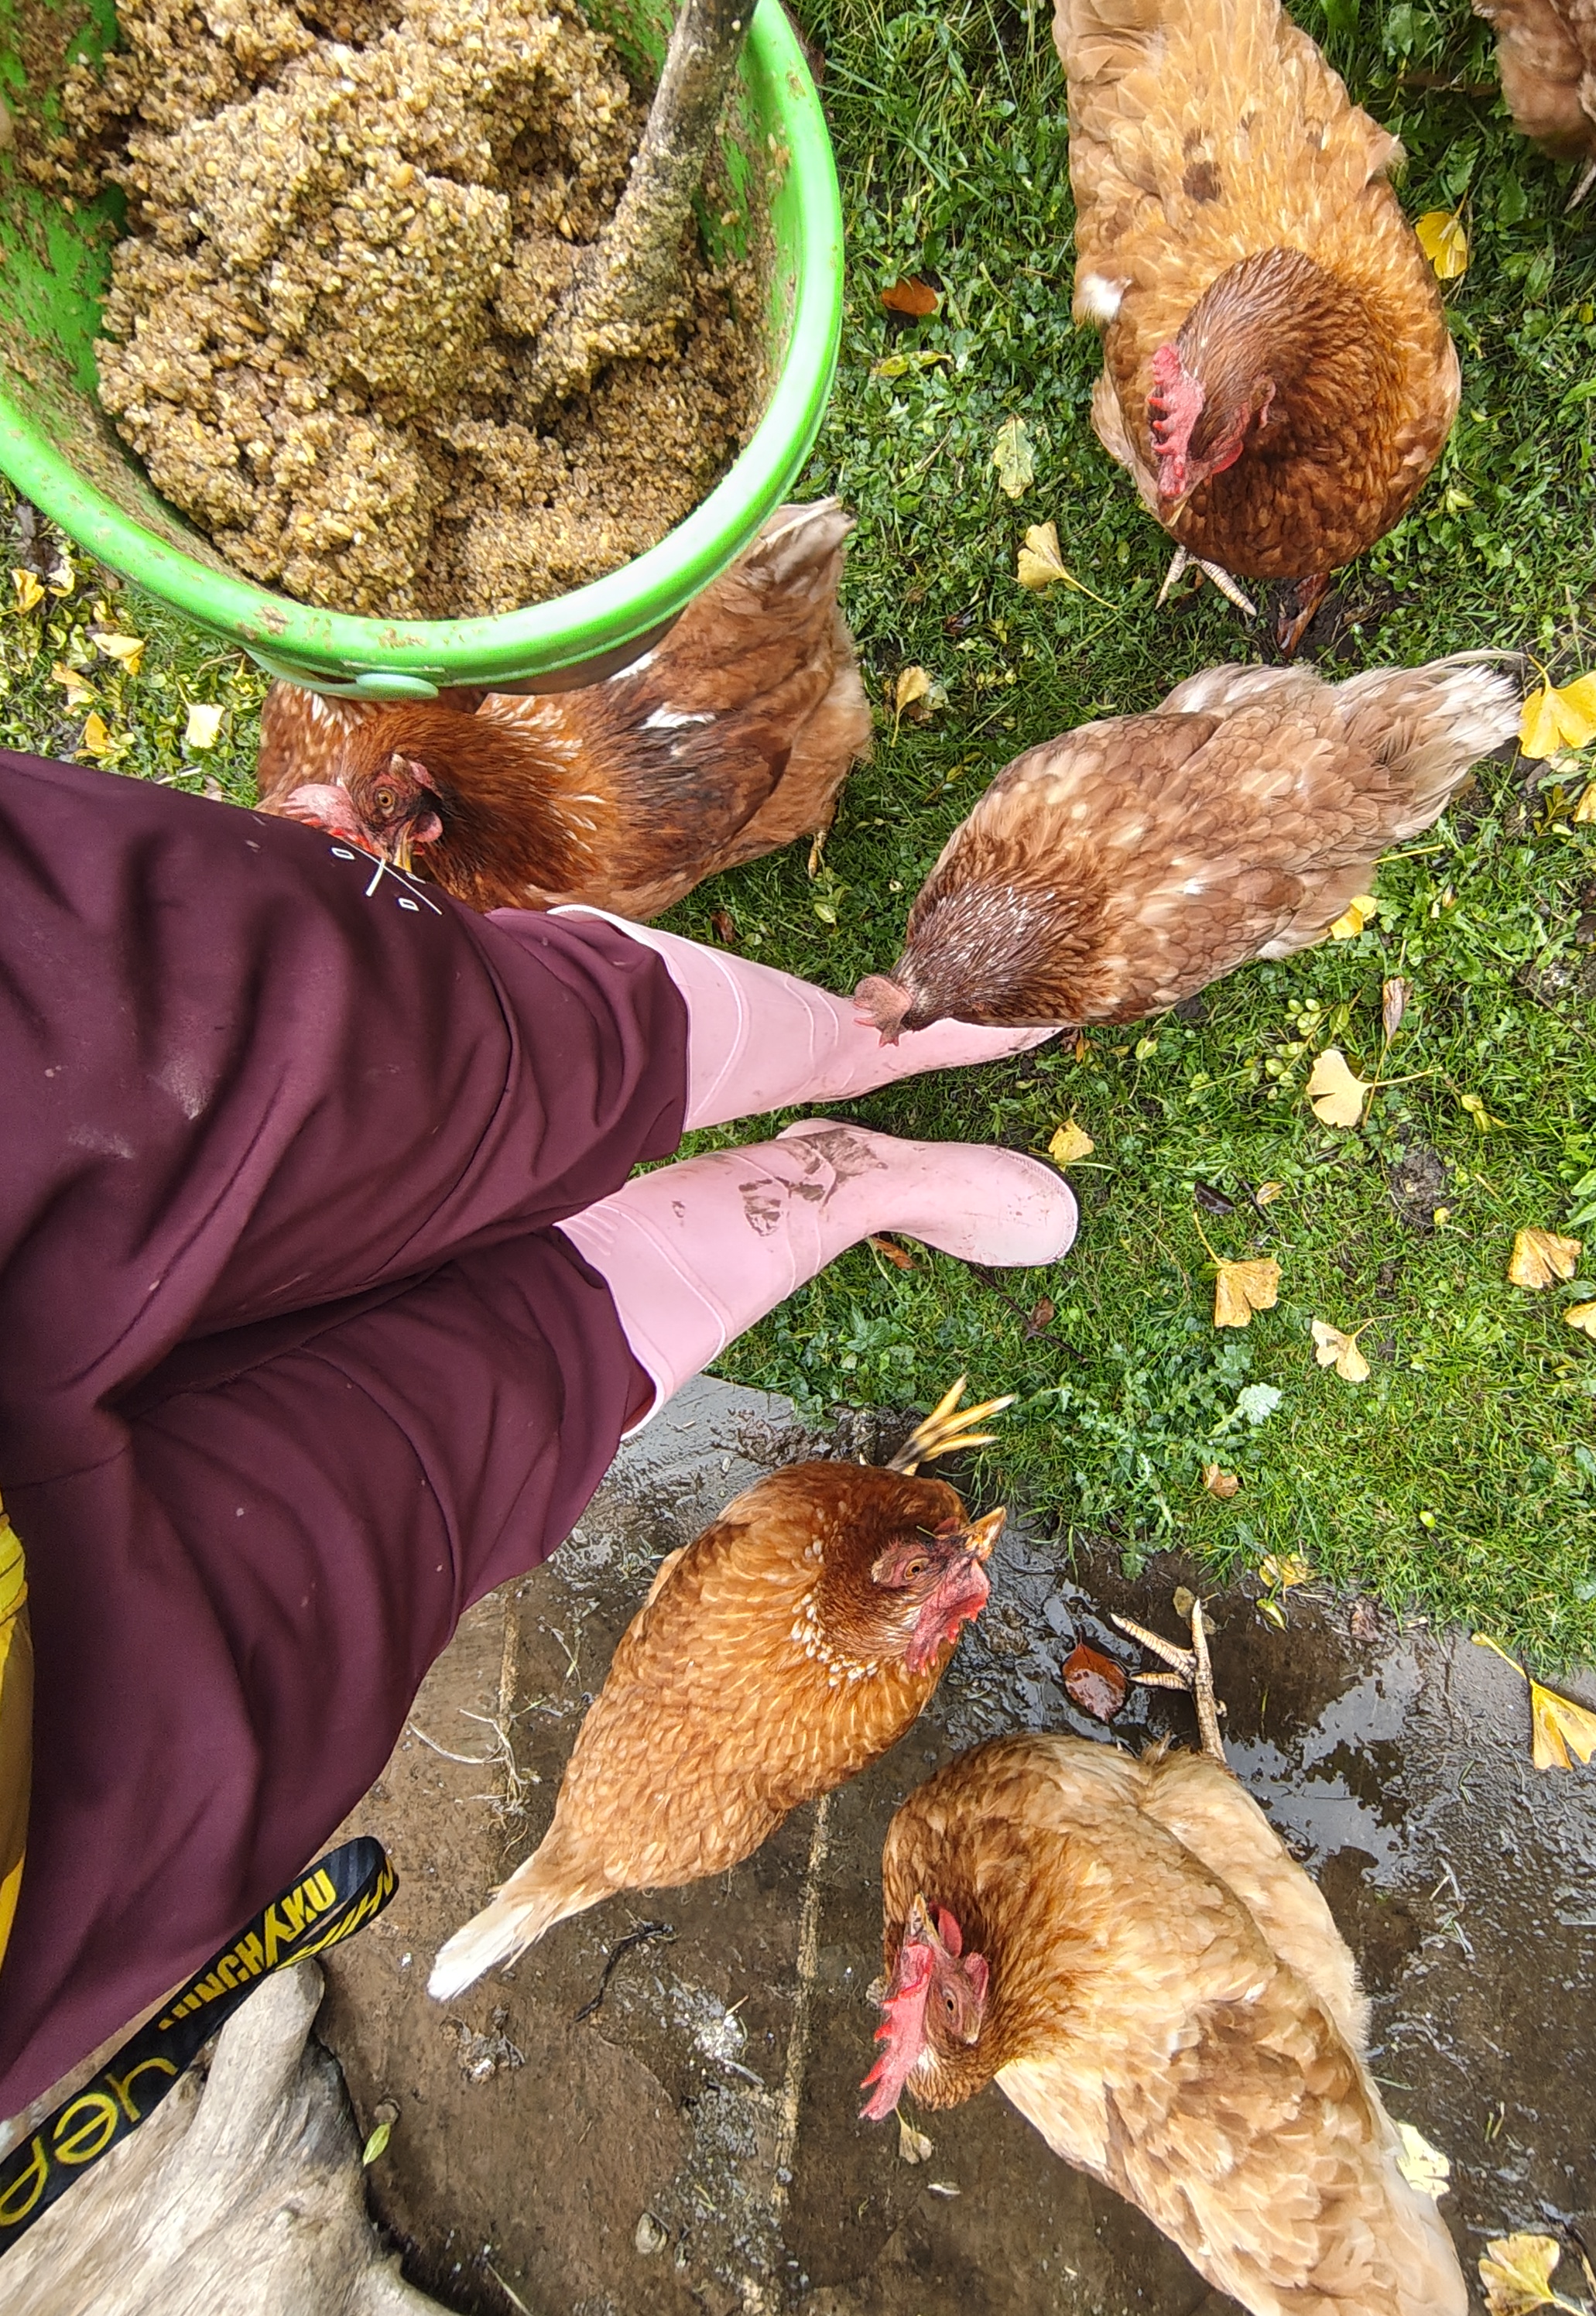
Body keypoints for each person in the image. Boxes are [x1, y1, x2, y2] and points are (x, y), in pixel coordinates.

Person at [0, 750, 1074, 2122]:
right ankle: (833, 1181)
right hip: (74, 1744)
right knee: (490, 1412)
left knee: (400, 1051)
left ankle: (865, 1038)